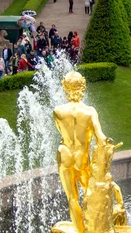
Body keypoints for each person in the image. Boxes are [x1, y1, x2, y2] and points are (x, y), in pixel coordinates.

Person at [53, 71, 108, 231]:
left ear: (65, 87)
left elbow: (61, 132)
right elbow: (101, 138)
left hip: (64, 154)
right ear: (83, 87)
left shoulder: (58, 111)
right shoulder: (90, 111)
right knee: (90, 194)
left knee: (72, 198)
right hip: (81, 156)